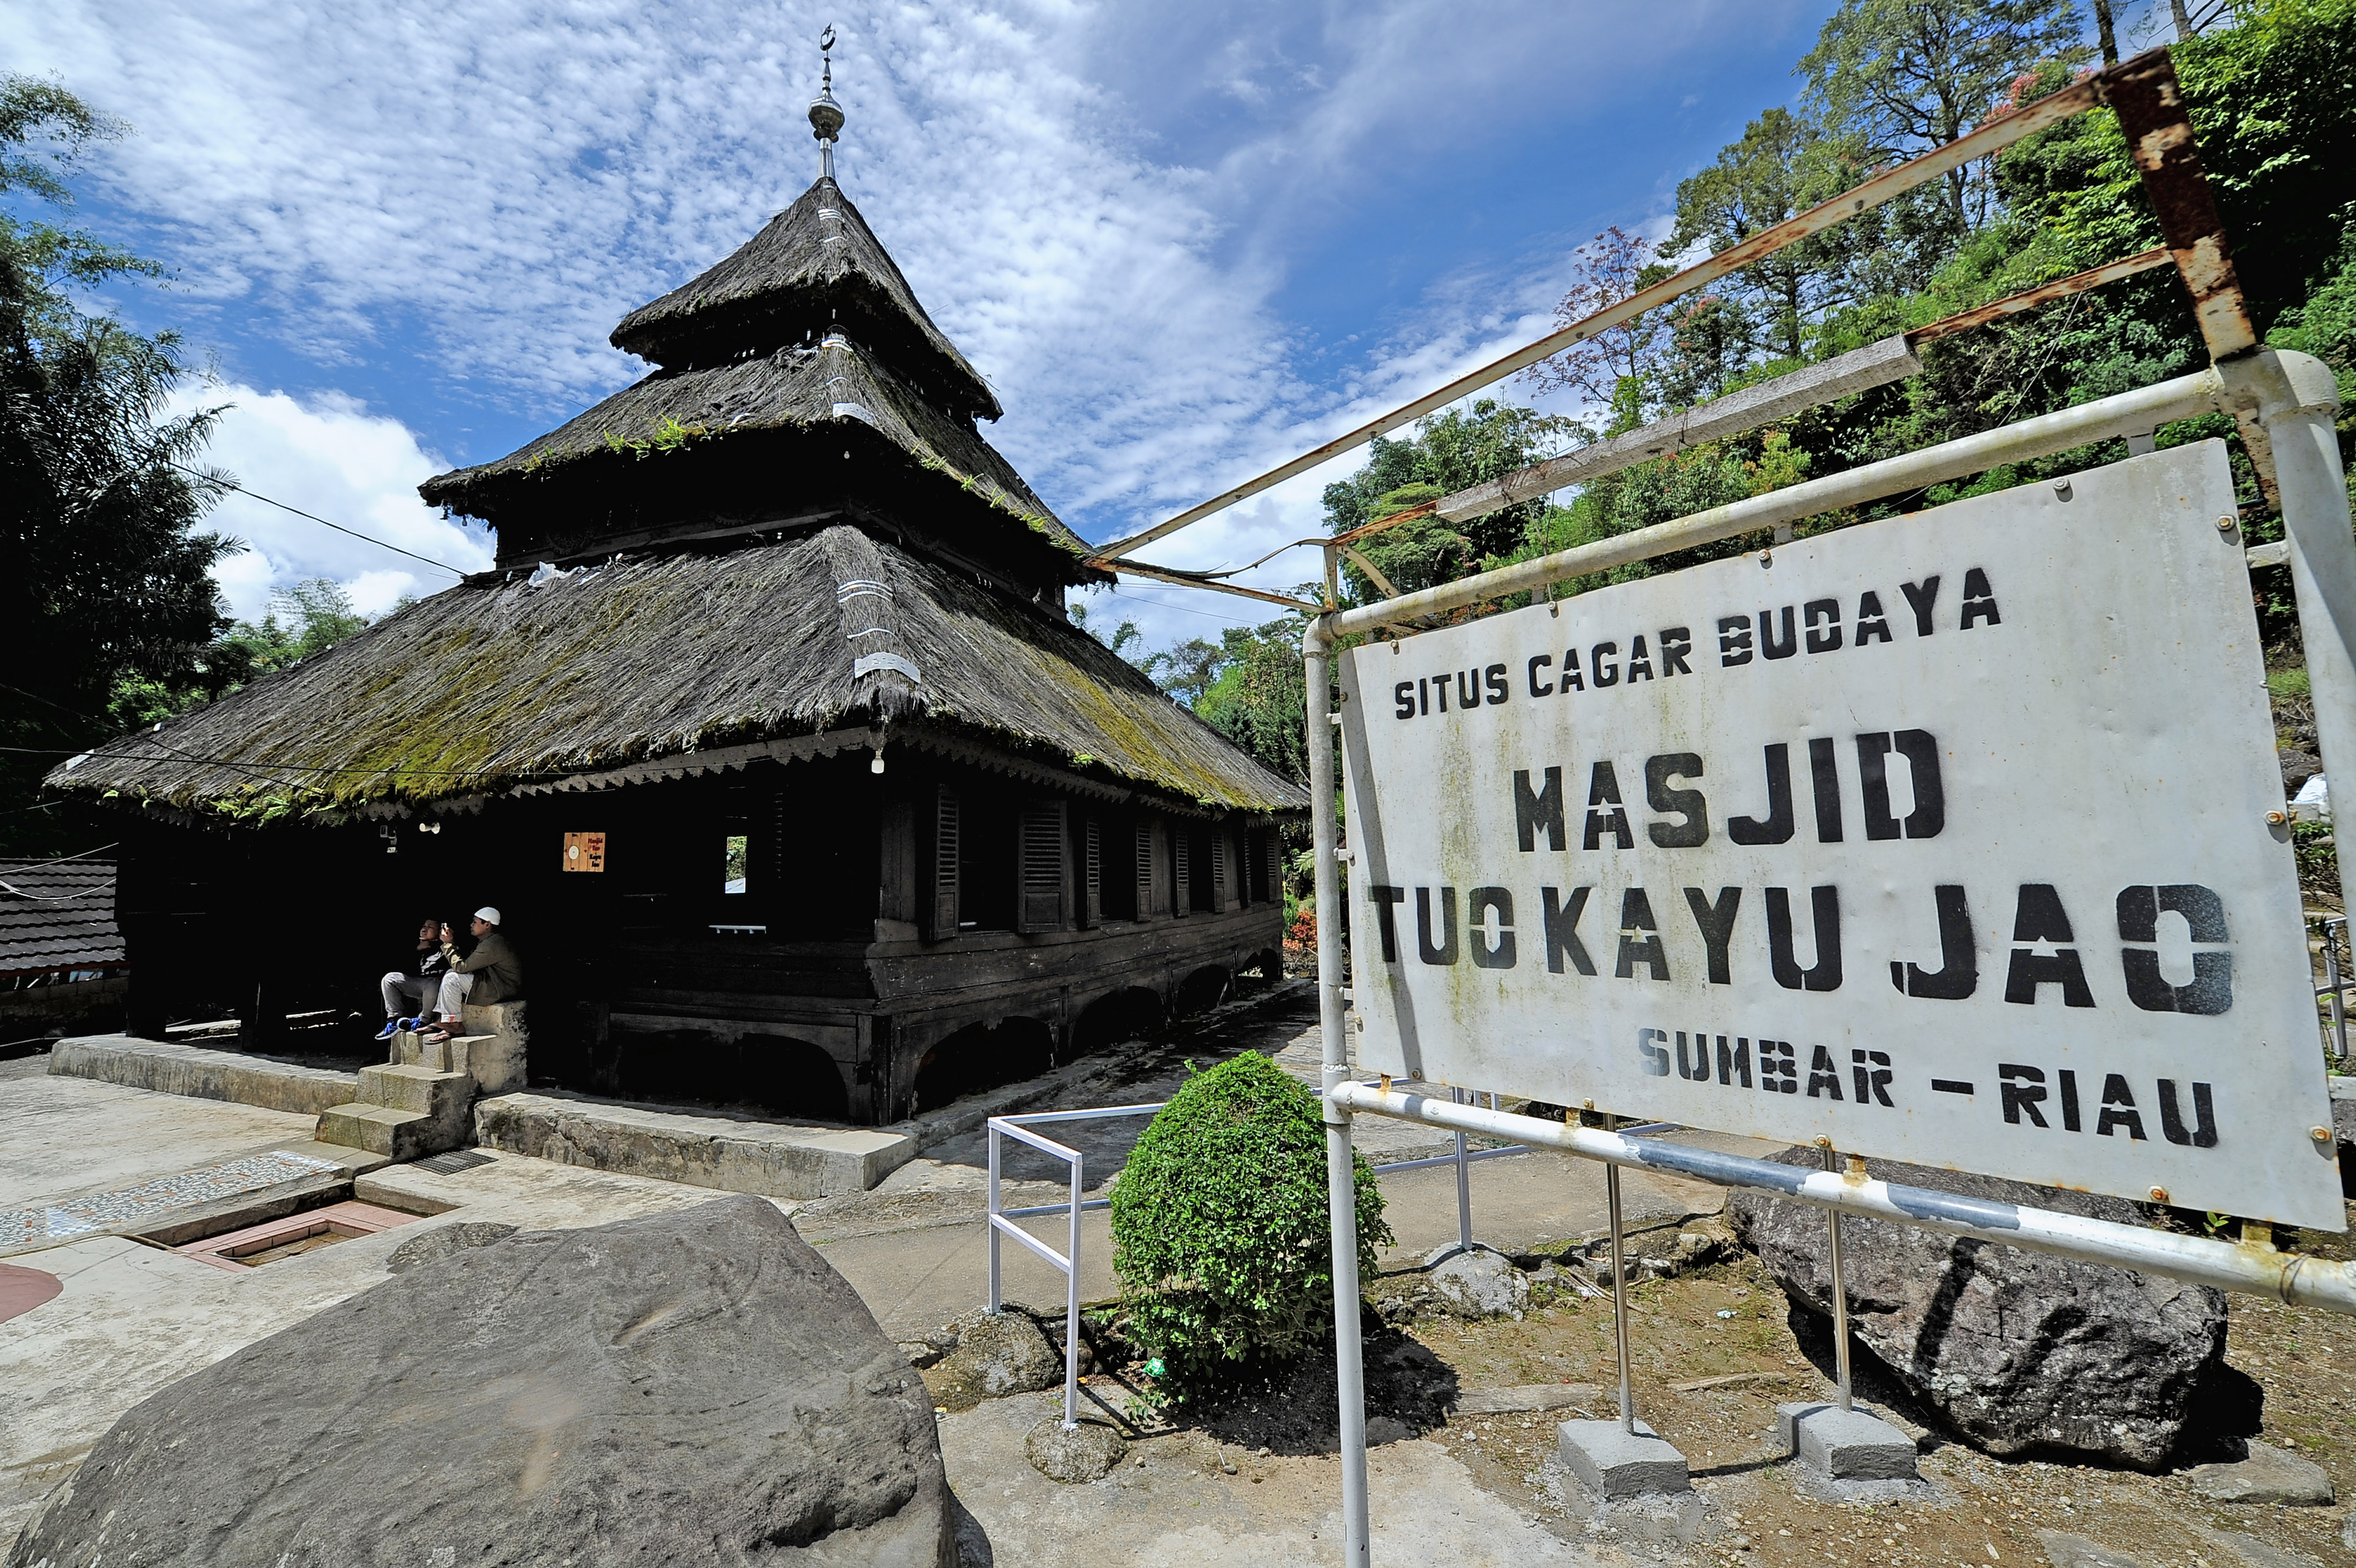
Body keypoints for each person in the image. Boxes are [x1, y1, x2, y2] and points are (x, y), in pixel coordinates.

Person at [421, 907, 522, 1041]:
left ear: (487, 925)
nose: (471, 925)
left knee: (452, 978)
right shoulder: (490, 941)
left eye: (475, 922)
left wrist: (448, 944)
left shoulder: (492, 944)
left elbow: (461, 967)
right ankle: (443, 1020)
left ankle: (455, 1025)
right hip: (496, 984)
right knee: (450, 973)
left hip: (502, 988)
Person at [376, 917, 454, 1041]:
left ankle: (424, 1020)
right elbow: (406, 971)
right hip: (420, 984)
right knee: (389, 979)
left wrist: (447, 942)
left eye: (430, 927)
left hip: (437, 987)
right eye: (424, 926)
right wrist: (419, 950)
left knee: (432, 983)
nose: (424, 929)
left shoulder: (445, 946)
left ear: (439, 931)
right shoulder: (417, 946)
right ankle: (395, 1020)